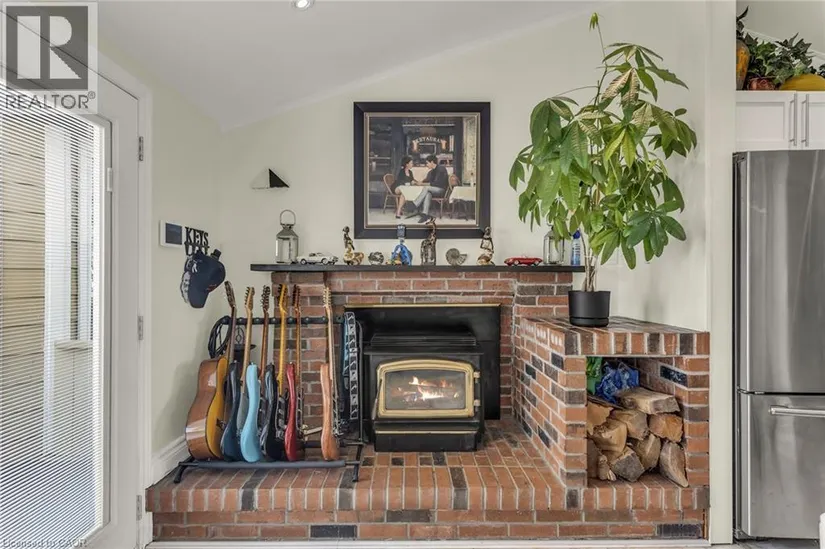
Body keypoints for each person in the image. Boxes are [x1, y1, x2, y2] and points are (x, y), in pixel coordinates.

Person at [413, 154, 449, 222]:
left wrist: (422, 184)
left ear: (432, 162)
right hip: (434, 190)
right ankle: (425, 215)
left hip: (441, 190)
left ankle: (415, 204)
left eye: (427, 163)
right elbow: (426, 180)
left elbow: (438, 184)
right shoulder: (431, 171)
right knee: (428, 194)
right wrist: (418, 182)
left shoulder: (441, 169)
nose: (426, 165)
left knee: (427, 188)